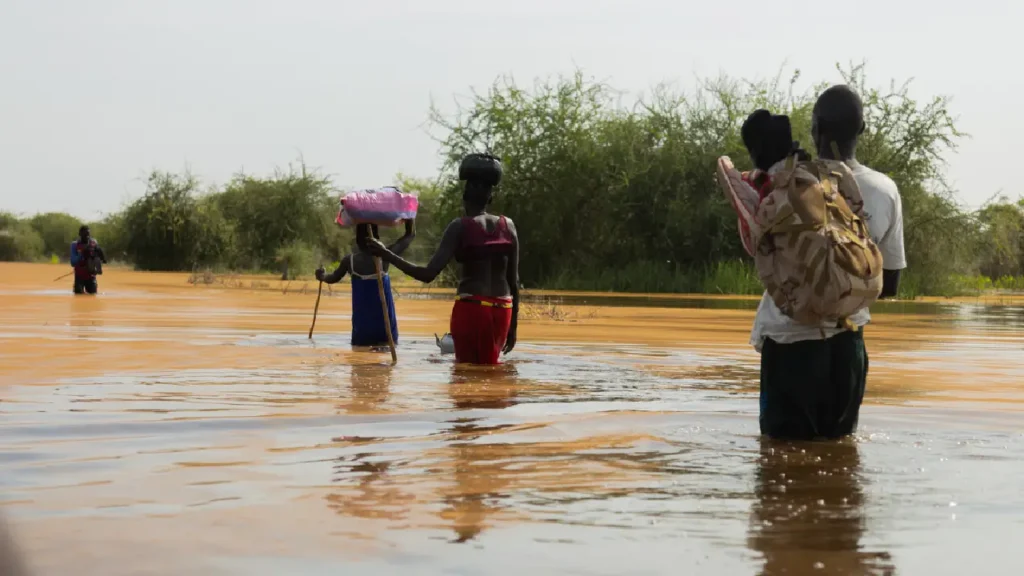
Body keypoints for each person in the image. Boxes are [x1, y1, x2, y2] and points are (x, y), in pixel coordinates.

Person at [752, 85, 906, 440]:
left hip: (789, 344)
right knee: (842, 462)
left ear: (816, 128)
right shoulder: (885, 191)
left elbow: (760, 254)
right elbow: (891, 283)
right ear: (862, 130)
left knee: (779, 469)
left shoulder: (784, 183)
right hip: (847, 348)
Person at [365, 153, 520, 365]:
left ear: (465, 195)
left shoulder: (460, 227)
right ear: (490, 198)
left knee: (466, 375)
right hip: (504, 311)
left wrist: (386, 254)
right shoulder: (508, 225)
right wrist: (513, 328)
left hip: (472, 309)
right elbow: (514, 282)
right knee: (490, 371)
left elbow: (428, 274)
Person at [315, 220, 415, 347]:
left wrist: (321, 276)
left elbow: (332, 278)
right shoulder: (386, 256)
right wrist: (409, 217)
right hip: (385, 326)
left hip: (362, 328)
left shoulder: (349, 261)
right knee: (385, 354)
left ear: (357, 241)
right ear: (377, 239)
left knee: (359, 356)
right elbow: (410, 235)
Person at [70, 225, 106, 295]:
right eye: (85, 234)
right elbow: (73, 263)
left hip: (91, 276)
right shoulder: (74, 245)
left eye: (88, 234)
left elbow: (98, 258)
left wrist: (97, 267)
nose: (87, 236)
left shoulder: (94, 243)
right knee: (78, 297)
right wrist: (81, 253)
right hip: (79, 276)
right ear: (80, 234)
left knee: (93, 296)